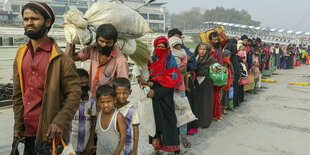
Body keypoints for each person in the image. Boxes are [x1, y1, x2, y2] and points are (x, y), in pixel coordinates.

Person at [12, 2, 81, 154]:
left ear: (47, 22)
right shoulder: (21, 54)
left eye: (34, 19)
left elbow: (74, 95)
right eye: (26, 19)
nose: (29, 22)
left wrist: (60, 122)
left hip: (51, 133)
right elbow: (17, 94)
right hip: (27, 133)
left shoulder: (62, 60)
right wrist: (18, 125)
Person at [66, 24, 129, 93]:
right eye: (101, 41)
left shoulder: (120, 61)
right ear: (96, 39)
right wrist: (71, 39)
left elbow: (122, 88)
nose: (104, 45)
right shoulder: (92, 50)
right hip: (90, 99)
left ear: (115, 41)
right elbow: (70, 57)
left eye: (108, 43)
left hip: (105, 102)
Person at [148, 36, 182, 154]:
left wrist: (156, 92)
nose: (160, 49)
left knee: (169, 121)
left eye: (163, 47)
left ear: (167, 48)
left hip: (165, 97)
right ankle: (157, 147)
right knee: (155, 121)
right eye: (158, 47)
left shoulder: (170, 61)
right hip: (154, 98)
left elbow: (171, 83)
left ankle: (175, 148)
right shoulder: (152, 60)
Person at [167, 28, 198, 137]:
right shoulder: (165, 52)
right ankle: (172, 134)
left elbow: (187, 66)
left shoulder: (183, 51)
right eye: (175, 39)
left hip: (181, 86)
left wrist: (176, 69)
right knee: (170, 112)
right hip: (168, 87)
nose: (178, 42)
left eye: (179, 39)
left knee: (182, 110)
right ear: (170, 39)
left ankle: (183, 135)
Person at [70, 69, 96, 155]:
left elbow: (94, 120)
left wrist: (91, 140)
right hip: (70, 143)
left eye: (86, 83)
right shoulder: (69, 99)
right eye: (81, 84)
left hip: (86, 143)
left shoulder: (91, 100)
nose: (84, 86)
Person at [95, 85, 126, 155]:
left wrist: (117, 153)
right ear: (97, 101)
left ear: (114, 100)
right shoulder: (98, 115)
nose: (105, 105)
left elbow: (123, 136)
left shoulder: (118, 116)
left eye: (109, 101)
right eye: (102, 102)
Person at [113, 78, 140, 155]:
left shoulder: (132, 110)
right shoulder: (111, 108)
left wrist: (135, 150)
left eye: (125, 93)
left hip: (128, 147)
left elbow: (136, 131)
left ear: (130, 92)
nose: (121, 96)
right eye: (118, 93)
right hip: (114, 146)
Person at [194, 42, 218, 127]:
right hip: (196, 83)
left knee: (206, 103)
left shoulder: (211, 60)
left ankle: (205, 122)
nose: (202, 51)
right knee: (197, 102)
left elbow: (217, 71)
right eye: (201, 49)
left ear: (207, 51)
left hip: (207, 84)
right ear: (198, 50)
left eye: (204, 49)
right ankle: (196, 122)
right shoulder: (195, 59)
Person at [208, 28, 229, 122]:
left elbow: (226, 39)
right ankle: (214, 114)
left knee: (218, 94)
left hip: (219, 75)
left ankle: (217, 114)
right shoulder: (207, 48)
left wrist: (219, 31)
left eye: (217, 39)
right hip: (210, 74)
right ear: (210, 40)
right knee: (212, 95)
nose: (216, 41)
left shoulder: (219, 47)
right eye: (214, 40)